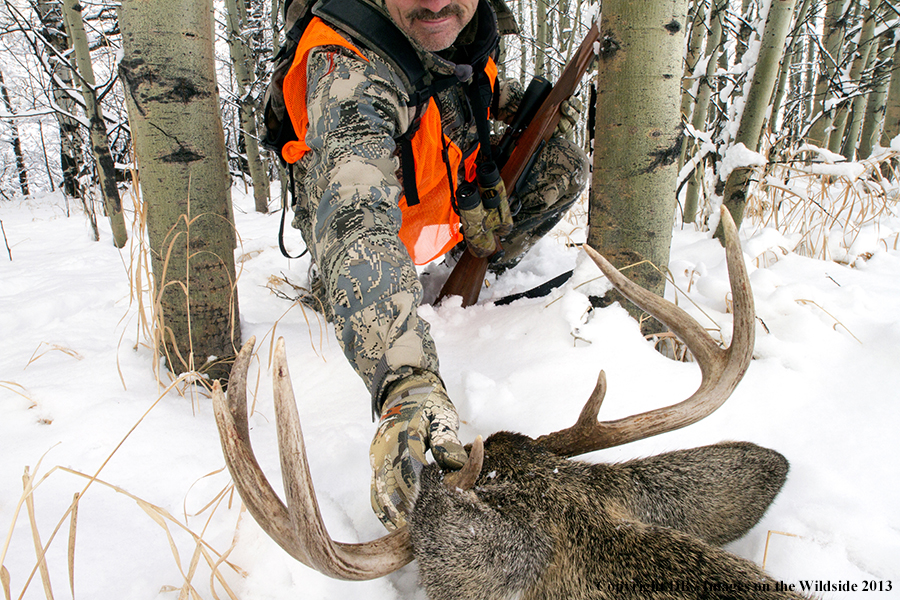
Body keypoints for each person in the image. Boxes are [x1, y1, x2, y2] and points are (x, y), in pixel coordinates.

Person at [280, 0, 588, 530]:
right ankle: (342, 289)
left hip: (438, 216)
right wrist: (406, 383)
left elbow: (463, 92)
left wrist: (532, 106)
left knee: (560, 161)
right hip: (368, 238)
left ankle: (475, 267)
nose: (437, 1)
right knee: (356, 264)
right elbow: (356, 217)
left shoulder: (465, 35)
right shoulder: (346, 63)